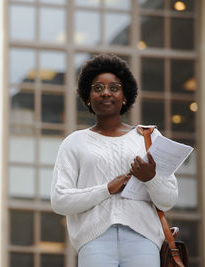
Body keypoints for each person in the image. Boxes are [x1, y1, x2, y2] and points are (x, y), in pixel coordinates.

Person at [50, 54, 178, 267]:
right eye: (98, 88)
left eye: (114, 87)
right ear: (88, 97)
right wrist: (107, 189)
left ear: (125, 96)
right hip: (94, 242)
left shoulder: (149, 137)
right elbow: (60, 200)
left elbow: (169, 199)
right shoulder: (74, 142)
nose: (106, 92)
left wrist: (151, 178)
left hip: (144, 241)